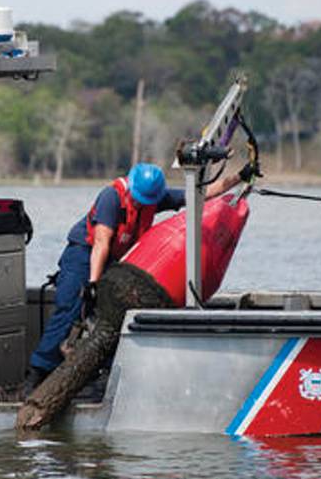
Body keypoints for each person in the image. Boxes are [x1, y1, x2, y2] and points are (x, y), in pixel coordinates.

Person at [25, 161, 256, 390]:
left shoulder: (154, 197)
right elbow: (101, 243)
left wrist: (239, 177)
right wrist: (93, 285)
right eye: (138, 199)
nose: (141, 203)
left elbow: (199, 195)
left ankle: (99, 376)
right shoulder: (111, 198)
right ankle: (38, 373)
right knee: (70, 308)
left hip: (112, 261)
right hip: (83, 255)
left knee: (112, 315)